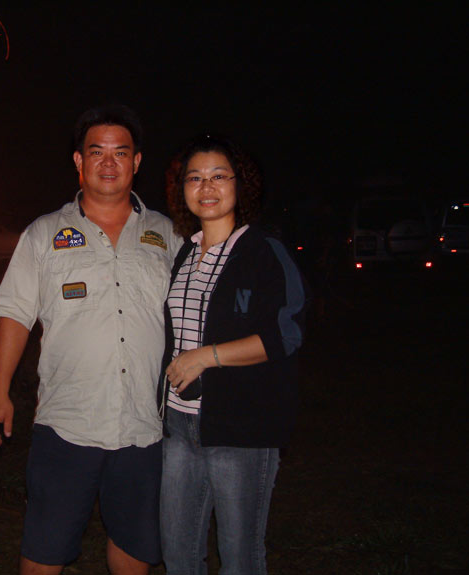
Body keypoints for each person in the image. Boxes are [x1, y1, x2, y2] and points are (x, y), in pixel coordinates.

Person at [0, 104, 182, 575]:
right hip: (67, 423)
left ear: (137, 162)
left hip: (143, 426)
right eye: (97, 152)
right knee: (43, 555)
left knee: (134, 551)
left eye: (121, 152)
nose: (109, 162)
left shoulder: (169, 234)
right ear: (78, 160)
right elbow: (15, 314)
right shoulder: (44, 233)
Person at [158, 134, 307, 575]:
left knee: (239, 556)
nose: (207, 187)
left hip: (241, 429)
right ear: (183, 189)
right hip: (178, 425)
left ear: (240, 185)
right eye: (195, 178)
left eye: (219, 176)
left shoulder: (263, 252)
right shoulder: (184, 254)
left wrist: (207, 356)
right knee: (178, 553)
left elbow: (286, 334)